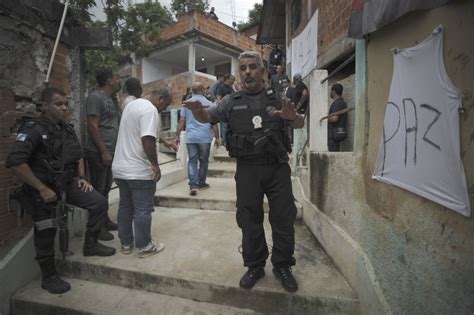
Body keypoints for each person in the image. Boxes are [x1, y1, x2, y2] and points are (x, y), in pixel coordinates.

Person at [183, 51, 305, 293]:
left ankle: (282, 265)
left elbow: (298, 121)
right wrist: (198, 111)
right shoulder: (231, 101)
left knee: (283, 217)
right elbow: (208, 116)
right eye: (243, 68)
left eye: (252, 67)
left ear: (262, 71)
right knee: (249, 219)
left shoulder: (278, 97)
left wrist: (294, 118)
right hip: (247, 170)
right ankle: (255, 265)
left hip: (276, 167)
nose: (247, 72)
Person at [5, 87, 116, 294]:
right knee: (47, 231)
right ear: (45, 105)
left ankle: (90, 245)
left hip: (67, 184)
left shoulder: (66, 128)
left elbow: (79, 154)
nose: (64, 108)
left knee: (99, 202)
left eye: (66, 104)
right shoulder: (33, 129)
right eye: (59, 104)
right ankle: (49, 276)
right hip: (43, 190)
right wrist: (41, 188)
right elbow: (16, 162)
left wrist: (82, 178)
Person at [112, 87, 172, 258]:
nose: (164, 109)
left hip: (120, 169)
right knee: (143, 210)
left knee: (125, 206)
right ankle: (145, 246)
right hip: (138, 170)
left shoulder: (131, 105)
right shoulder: (150, 110)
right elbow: (147, 139)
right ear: (160, 99)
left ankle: (126, 243)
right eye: (165, 105)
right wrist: (155, 164)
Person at [85, 67, 121, 241]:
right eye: (116, 78)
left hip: (110, 152)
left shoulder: (109, 98)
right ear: (109, 80)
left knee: (106, 189)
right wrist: (104, 151)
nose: (118, 81)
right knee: (98, 191)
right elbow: (92, 125)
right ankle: (96, 229)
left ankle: (104, 220)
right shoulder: (95, 97)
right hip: (99, 152)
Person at [175, 82, 219, 196]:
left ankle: (193, 185)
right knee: (204, 161)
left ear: (192, 91)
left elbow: (181, 121)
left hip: (191, 137)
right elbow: (214, 124)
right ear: (203, 90)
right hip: (205, 137)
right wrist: (218, 138)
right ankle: (202, 183)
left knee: (192, 161)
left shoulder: (187, 105)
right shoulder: (210, 104)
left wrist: (177, 135)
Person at [327, 83, 348, 152]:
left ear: (333, 91)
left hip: (334, 135)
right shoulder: (340, 102)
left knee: (333, 155)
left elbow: (334, 118)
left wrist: (324, 120)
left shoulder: (338, 103)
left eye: (331, 90)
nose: (330, 92)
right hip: (335, 134)